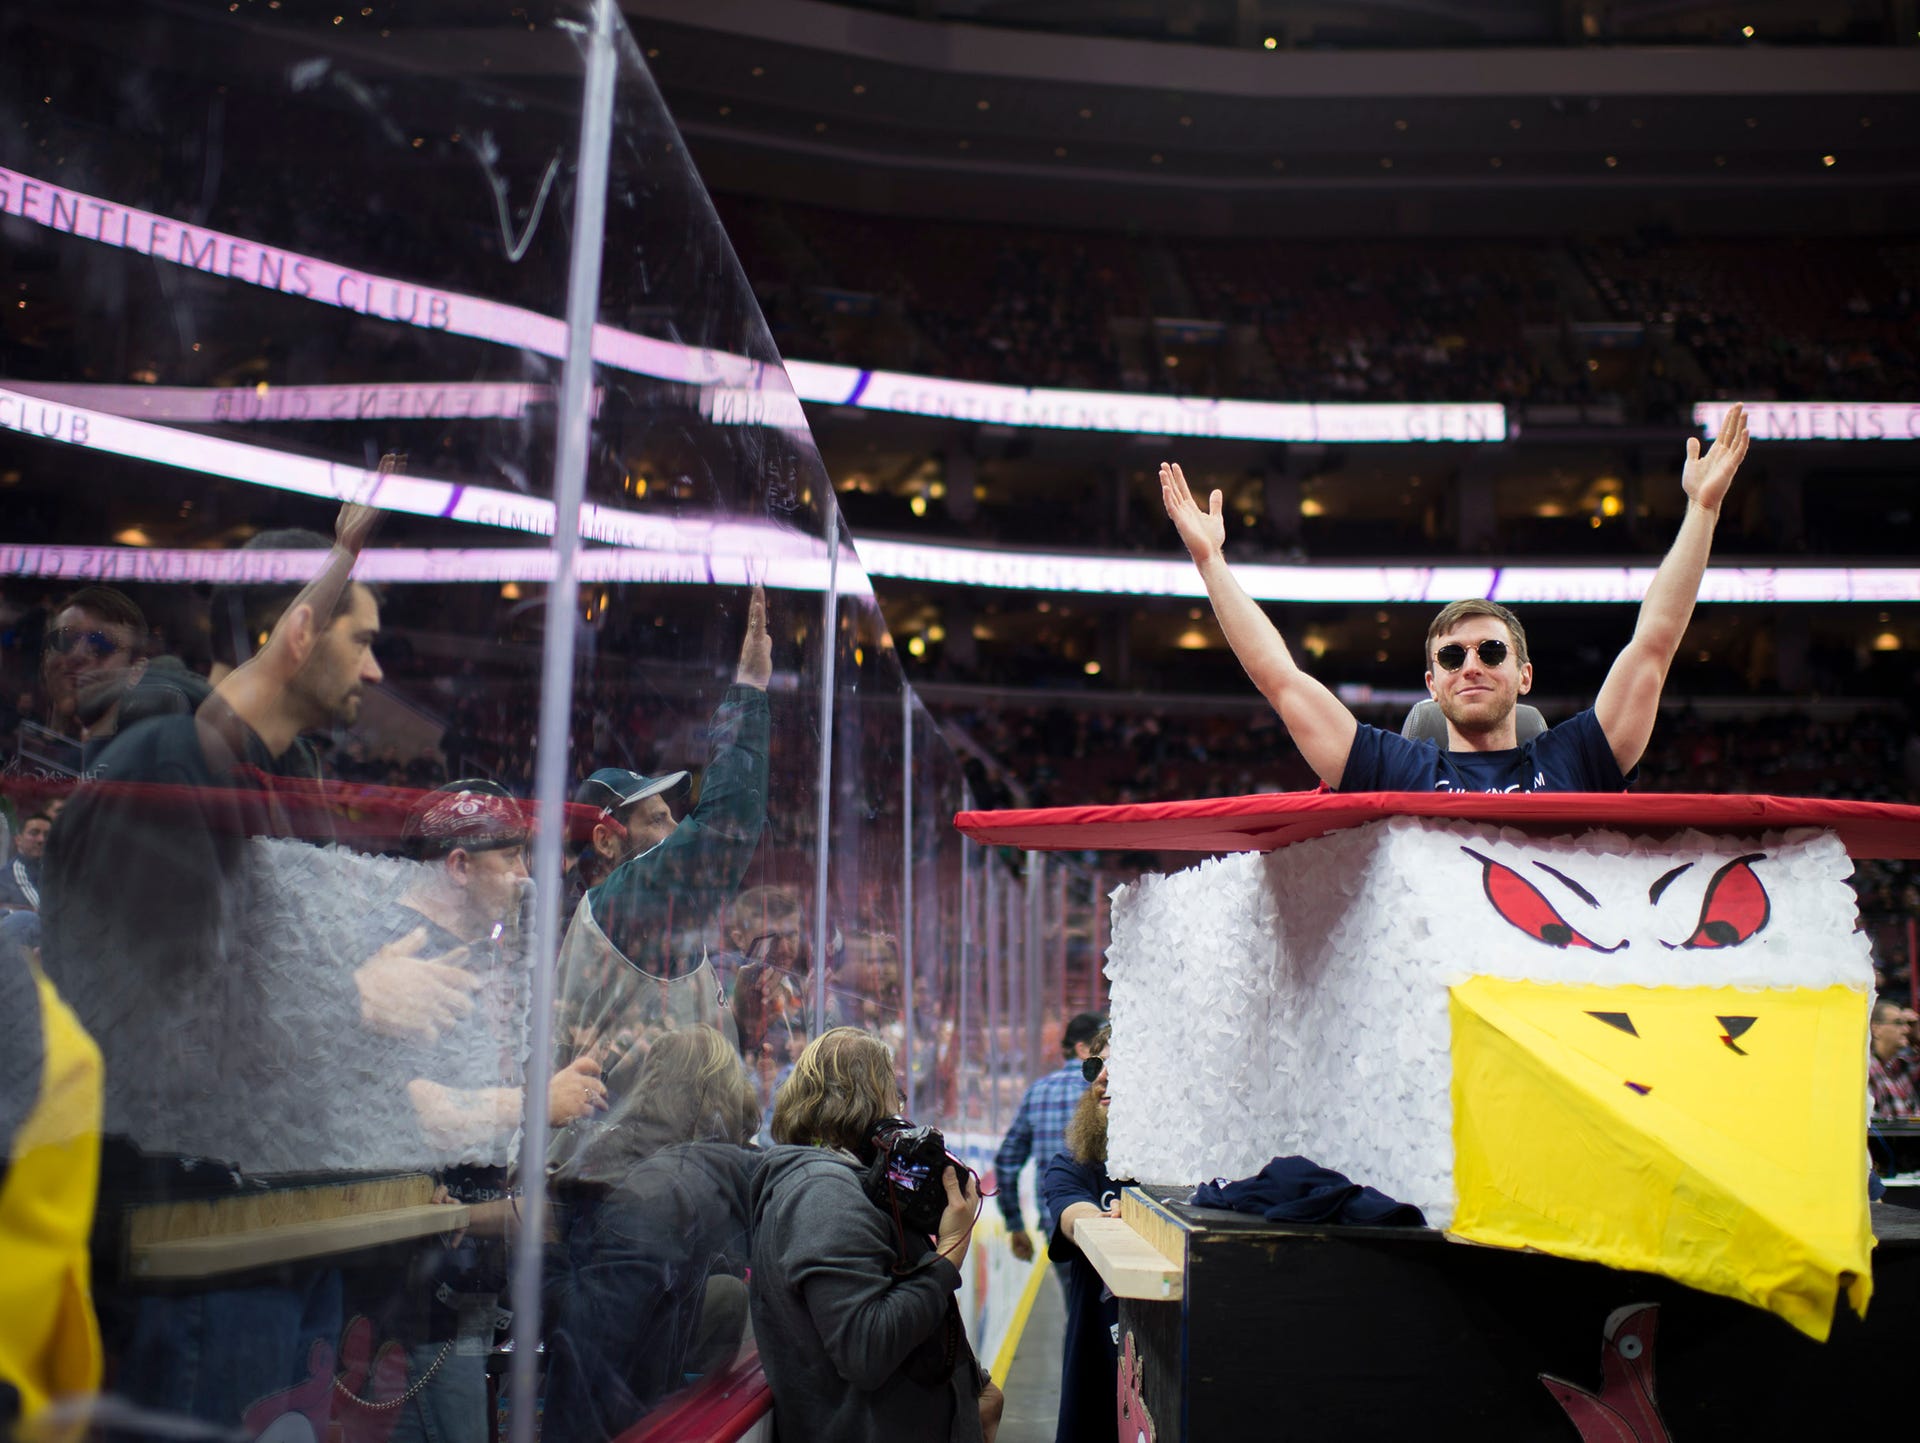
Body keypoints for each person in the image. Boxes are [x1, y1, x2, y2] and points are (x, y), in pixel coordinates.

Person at [1159, 401, 1753, 792]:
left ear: (1523, 676)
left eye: (1490, 652)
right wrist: (1210, 562)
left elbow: (1654, 644)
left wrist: (1703, 509)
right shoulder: (1394, 768)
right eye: (1451, 657)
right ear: (1431, 684)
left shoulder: (1574, 759)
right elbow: (1281, 680)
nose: (1471, 665)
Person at [551, 587, 772, 1154]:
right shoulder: (619, 905)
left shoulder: (645, 929)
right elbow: (724, 828)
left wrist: (741, 1020)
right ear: (604, 840)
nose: (676, 831)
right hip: (612, 1192)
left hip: (642, 1180)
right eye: (657, 820)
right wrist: (748, 690)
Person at [750, 1027, 1001, 1443]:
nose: (899, 1107)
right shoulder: (823, 1193)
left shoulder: (846, 1181)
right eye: (894, 1091)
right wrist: (951, 1253)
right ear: (866, 1097)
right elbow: (866, 1349)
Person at [545, 1026, 762, 1443]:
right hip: (630, 1409)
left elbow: (586, 1326)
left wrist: (544, 1248)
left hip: (612, 1412)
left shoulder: (656, 1186)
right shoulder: (680, 1182)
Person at [1040, 1027, 1125, 1443]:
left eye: (1118, 1064)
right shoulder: (1072, 1166)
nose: (1102, 1077)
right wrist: (1106, 1221)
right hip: (1101, 1371)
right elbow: (1075, 1215)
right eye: (1096, 1065)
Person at [995, 1011, 1104, 1269]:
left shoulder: (1038, 1092)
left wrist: (1015, 1225)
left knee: (1075, 1305)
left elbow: (1006, 1163)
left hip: (1056, 1225)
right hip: (1112, 1223)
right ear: (1083, 1049)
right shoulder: (1109, 1089)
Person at [1870, 997, 1918, 1120]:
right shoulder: (1863, 1070)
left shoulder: (1903, 1064)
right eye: (1898, 1023)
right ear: (1876, 1029)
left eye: (1907, 1024)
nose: (1906, 1030)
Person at [0, 811, 48, 912]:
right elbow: (42, 909)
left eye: (47, 834)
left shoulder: (55, 868)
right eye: (34, 833)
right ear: (18, 839)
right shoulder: (13, 872)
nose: (41, 839)